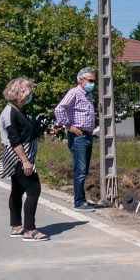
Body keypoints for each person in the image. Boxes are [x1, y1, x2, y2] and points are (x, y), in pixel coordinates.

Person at [0, 77, 48, 241]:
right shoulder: (10, 113)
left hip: (20, 157)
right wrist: (25, 161)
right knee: (33, 189)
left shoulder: (16, 110)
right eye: (28, 91)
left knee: (17, 191)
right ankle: (29, 230)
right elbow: (14, 140)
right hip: (18, 158)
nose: (30, 94)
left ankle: (16, 226)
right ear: (20, 93)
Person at [54, 67, 99, 210]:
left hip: (87, 135)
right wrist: (68, 126)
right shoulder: (74, 92)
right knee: (79, 169)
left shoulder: (88, 95)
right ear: (80, 80)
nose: (92, 83)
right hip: (78, 136)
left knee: (83, 169)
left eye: (94, 81)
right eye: (90, 80)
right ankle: (79, 202)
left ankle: (82, 199)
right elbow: (59, 109)